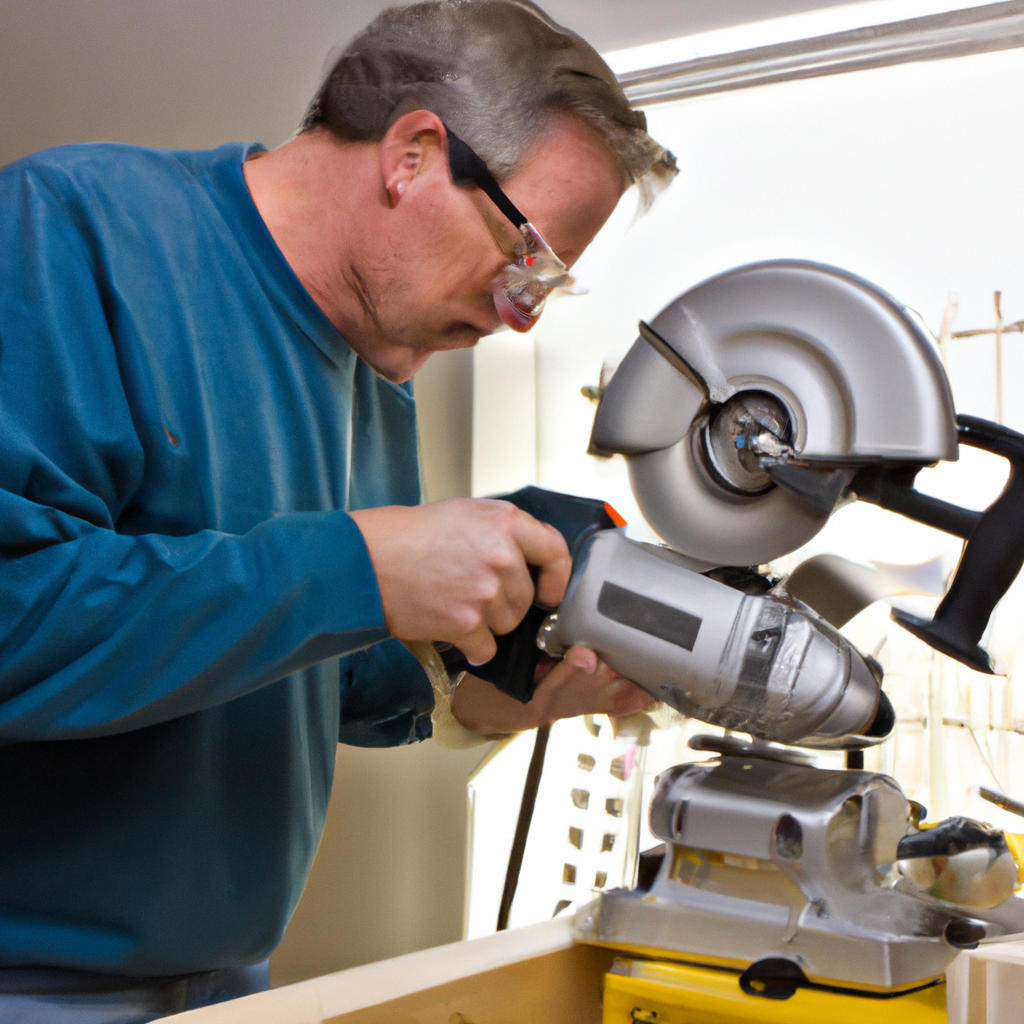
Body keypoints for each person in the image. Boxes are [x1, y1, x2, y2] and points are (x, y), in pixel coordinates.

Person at [0, 0, 677, 1019]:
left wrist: (481, 686)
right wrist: (361, 565)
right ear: (411, 154)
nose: (517, 311)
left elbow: (313, 664)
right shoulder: (71, 228)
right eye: (526, 255)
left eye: (548, 286)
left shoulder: (373, 360)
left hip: (228, 984)